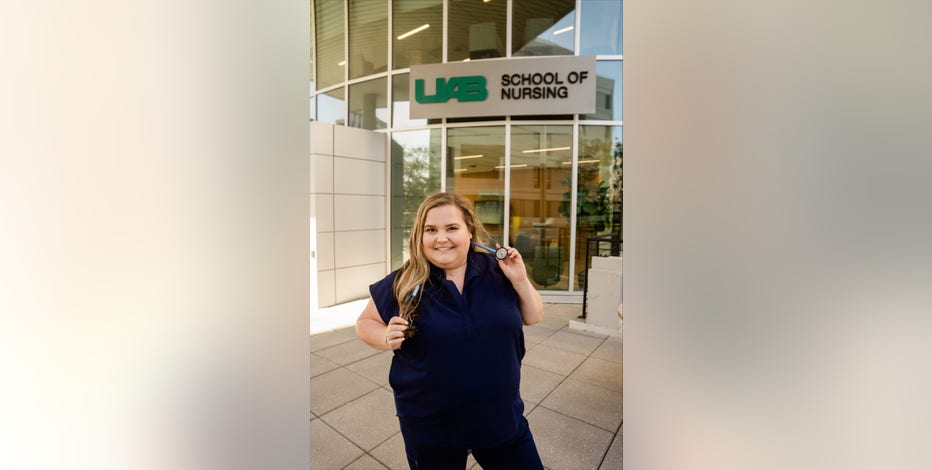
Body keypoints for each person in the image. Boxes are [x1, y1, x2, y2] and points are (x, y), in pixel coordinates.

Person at [356, 191, 545, 470]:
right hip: (431, 425)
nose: (441, 238)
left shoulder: (498, 270)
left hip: (501, 416)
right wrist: (385, 337)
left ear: (469, 231)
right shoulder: (405, 280)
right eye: (430, 230)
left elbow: (533, 316)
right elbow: (365, 323)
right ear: (420, 236)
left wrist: (520, 280)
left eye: (452, 228)